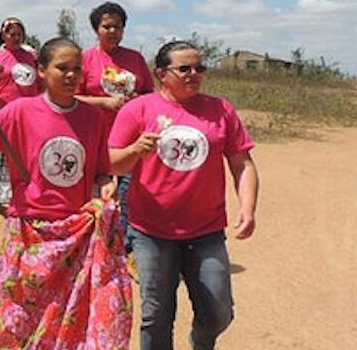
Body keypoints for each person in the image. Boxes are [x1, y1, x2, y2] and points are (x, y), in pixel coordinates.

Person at [0, 37, 129, 348]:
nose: (71, 75)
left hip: (74, 233)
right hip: (28, 229)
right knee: (19, 314)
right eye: (62, 68)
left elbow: (100, 169)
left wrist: (106, 184)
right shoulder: (20, 111)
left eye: (77, 69)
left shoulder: (92, 118)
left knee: (65, 314)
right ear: (41, 70)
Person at [109, 40, 260, 350]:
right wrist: (135, 151)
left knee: (218, 312)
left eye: (199, 68)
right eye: (185, 68)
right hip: (151, 231)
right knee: (156, 314)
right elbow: (111, 162)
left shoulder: (220, 110)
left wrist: (248, 208)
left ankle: (200, 342)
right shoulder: (138, 109)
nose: (194, 74)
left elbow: (242, 164)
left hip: (206, 230)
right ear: (161, 74)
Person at [77, 1, 155, 252]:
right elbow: (71, 97)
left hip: (130, 140)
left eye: (118, 27)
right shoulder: (85, 59)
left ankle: (123, 248)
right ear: (96, 30)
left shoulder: (135, 59)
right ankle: (91, 246)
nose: (112, 31)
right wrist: (104, 102)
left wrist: (136, 101)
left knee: (128, 193)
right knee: (95, 195)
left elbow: (150, 94)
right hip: (93, 138)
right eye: (106, 26)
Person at [0, 18, 40, 210]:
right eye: (12, 34)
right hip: (2, 113)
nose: (16, 38)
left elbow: (38, 84)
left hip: (27, 115)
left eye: (19, 34)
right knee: (0, 155)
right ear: (3, 35)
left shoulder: (31, 57)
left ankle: (20, 195)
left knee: (21, 156)